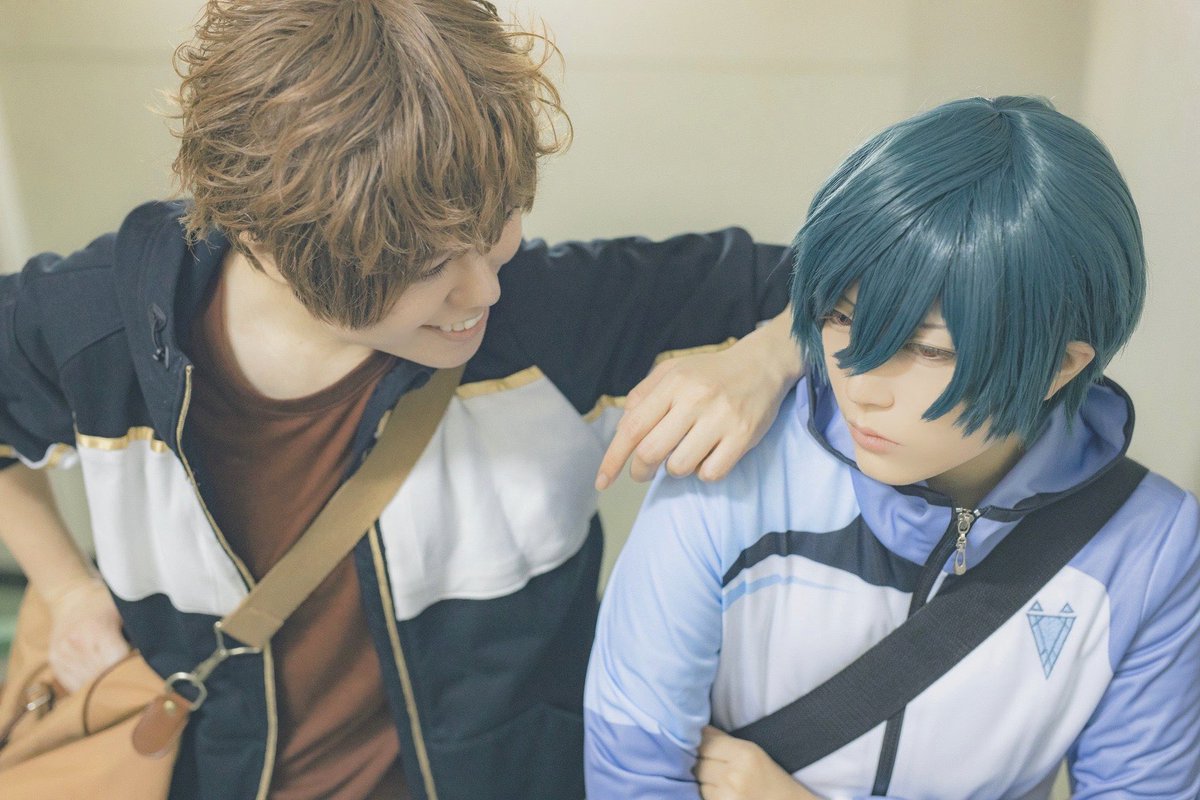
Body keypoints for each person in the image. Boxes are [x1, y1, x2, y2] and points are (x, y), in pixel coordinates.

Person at [0, 2, 802, 798]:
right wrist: (66, 589)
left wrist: (772, 354)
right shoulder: (94, 330)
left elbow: (857, 277)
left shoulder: (551, 316)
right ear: (267, 239)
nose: (482, 290)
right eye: (423, 267)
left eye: (498, 225)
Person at [583, 96, 1200, 799]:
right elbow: (633, 777)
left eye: (928, 350)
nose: (861, 385)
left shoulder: (1151, 550)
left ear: (1059, 366)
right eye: (842, 318)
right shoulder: (730, 470)